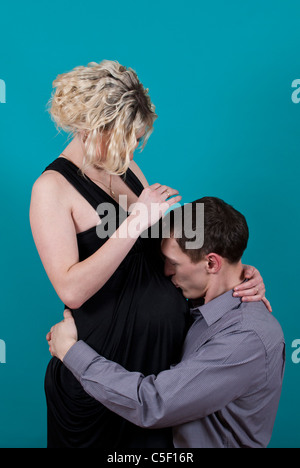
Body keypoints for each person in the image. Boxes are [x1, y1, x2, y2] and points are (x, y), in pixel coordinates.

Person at [30, 60, 268, 448]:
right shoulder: (51, 189)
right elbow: (71, 290)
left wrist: (233, 271)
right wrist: (135, 220)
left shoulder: (125, 169)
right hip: (97, 377)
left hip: (156, 370)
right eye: (126, 137)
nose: (132, 149)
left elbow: (170, 251)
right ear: (94, 126)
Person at [47, 197, 285, 449]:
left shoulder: (245, 338)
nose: (166, 272)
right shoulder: (206, 305)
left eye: (174, 263)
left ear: (212, 263)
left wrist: (71, 352)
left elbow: (154, 404)